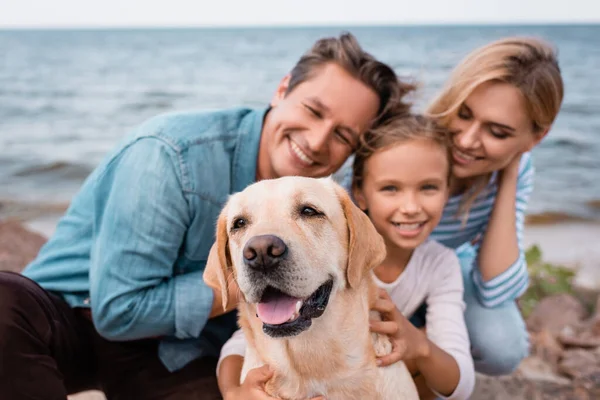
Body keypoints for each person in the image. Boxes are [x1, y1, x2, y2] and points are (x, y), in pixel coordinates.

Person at [0, 32, 415, 400]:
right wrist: (258, 273)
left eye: (343, 135)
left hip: (178, 354)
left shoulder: (327, 196)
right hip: (75, 319)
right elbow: (117, 311)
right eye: (313, 110)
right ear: (282, 89)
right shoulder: (171, 154)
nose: (317, 140)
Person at [217, 114, 475, 400]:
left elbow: (459, 378)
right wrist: (233, 392)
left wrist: (418, 343)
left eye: (308, 212)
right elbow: (243, 339)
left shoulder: (413, 259)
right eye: (241, 224)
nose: (262, 247)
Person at [423, 36, 564, 375]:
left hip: (442, 268)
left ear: (535, 138)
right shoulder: (408, 146)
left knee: (503, 345)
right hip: (384, 269)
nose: (467, 140)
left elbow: (496, 288)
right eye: (464, 113)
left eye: (498, 132)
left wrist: (511, 174)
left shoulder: (515, 167)